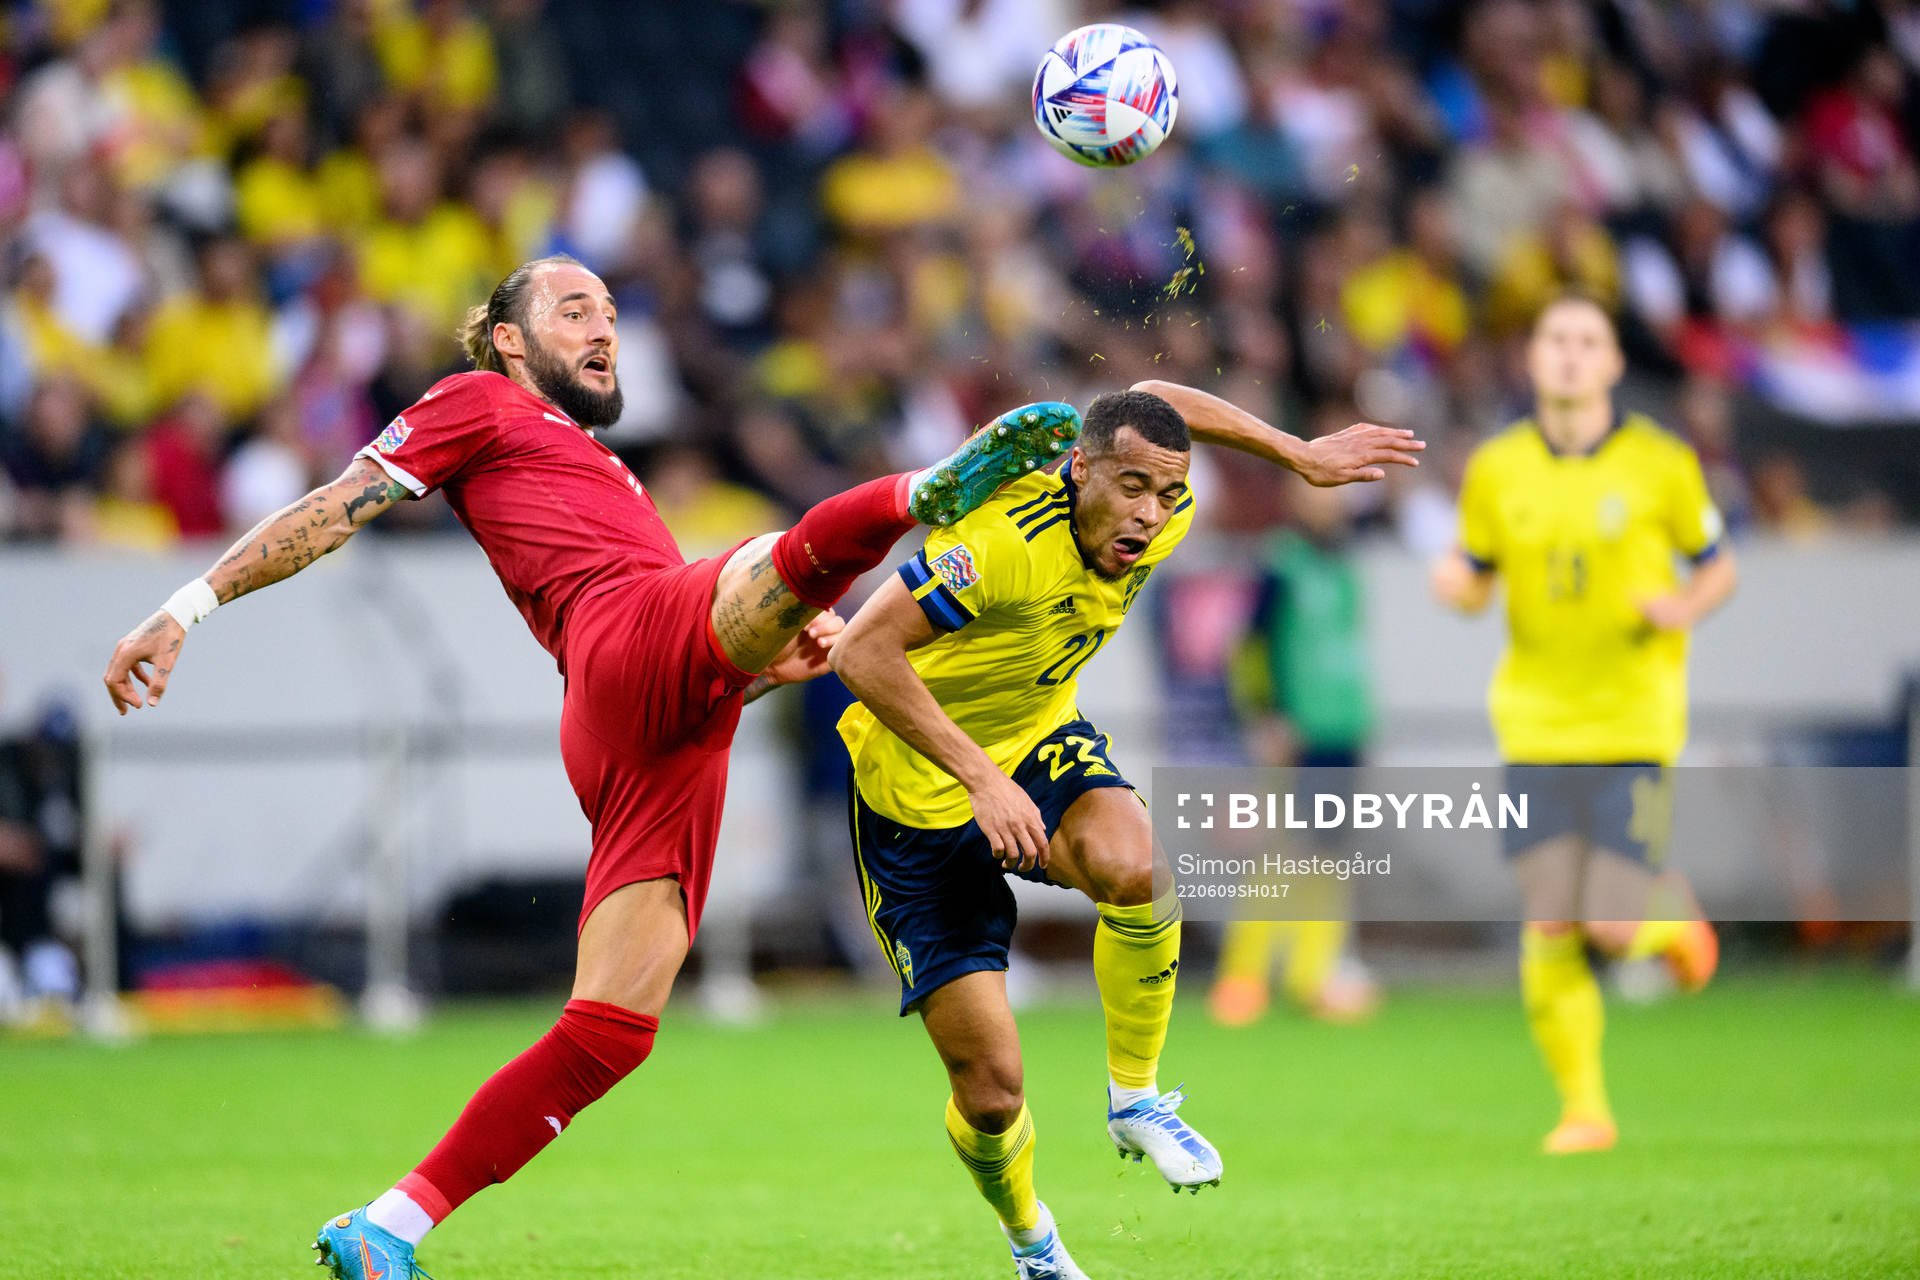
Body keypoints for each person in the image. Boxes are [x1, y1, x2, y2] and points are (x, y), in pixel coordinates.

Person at [100, 253, 1081, 1280]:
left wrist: (756, 668)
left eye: (609, 312)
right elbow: (342, 503)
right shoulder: (478, 399)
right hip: (622, 639)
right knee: (768, 556)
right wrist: (185, 607)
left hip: (656, 721)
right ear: (510, 339)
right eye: (573, 312)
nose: (603, 328)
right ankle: (925, 488)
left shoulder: (596, 463)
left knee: (612, 1029)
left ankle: (388, 1225)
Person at [830, 384, 1422, 1277]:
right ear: (1078, 469)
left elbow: (1150, 399)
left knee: (1140, 868)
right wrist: (982, 780)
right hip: (914, 794)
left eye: (1169, 492)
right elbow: (860, 652)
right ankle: (1032, 1239)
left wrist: (1297, 454)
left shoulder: (1162, 518)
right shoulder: (997, 545)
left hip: (1037, 744)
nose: (1151, 513)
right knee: (991, 1094)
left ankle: (1135, 1098)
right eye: (1133, 487)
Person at [1431, 292, 1737, 1156]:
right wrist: (1457, 585)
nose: (1569, 354)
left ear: (1611, 362)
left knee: (1609, 925)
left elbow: (1718, 566)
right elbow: (1477, 573)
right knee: (1550, 920)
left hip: (1633, 719)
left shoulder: (1661, 462)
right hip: (1535, 723)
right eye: (1555, 340)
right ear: (1533, 359)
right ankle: (1584, 1112)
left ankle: (1670, 919)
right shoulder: (1497, 468)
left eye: (1586, 341)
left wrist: (1682, 607)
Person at [1209, 480, 1380, 1028]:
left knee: (1330, 857)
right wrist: (1263, 714)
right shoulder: (1281, 564)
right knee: (1280, 856)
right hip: (1296, 731)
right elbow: (1248, 646)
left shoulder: (1344, 564)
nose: (1329, 504)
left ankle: (1314, 976)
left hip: (1342, 729)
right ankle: (1244, 976)